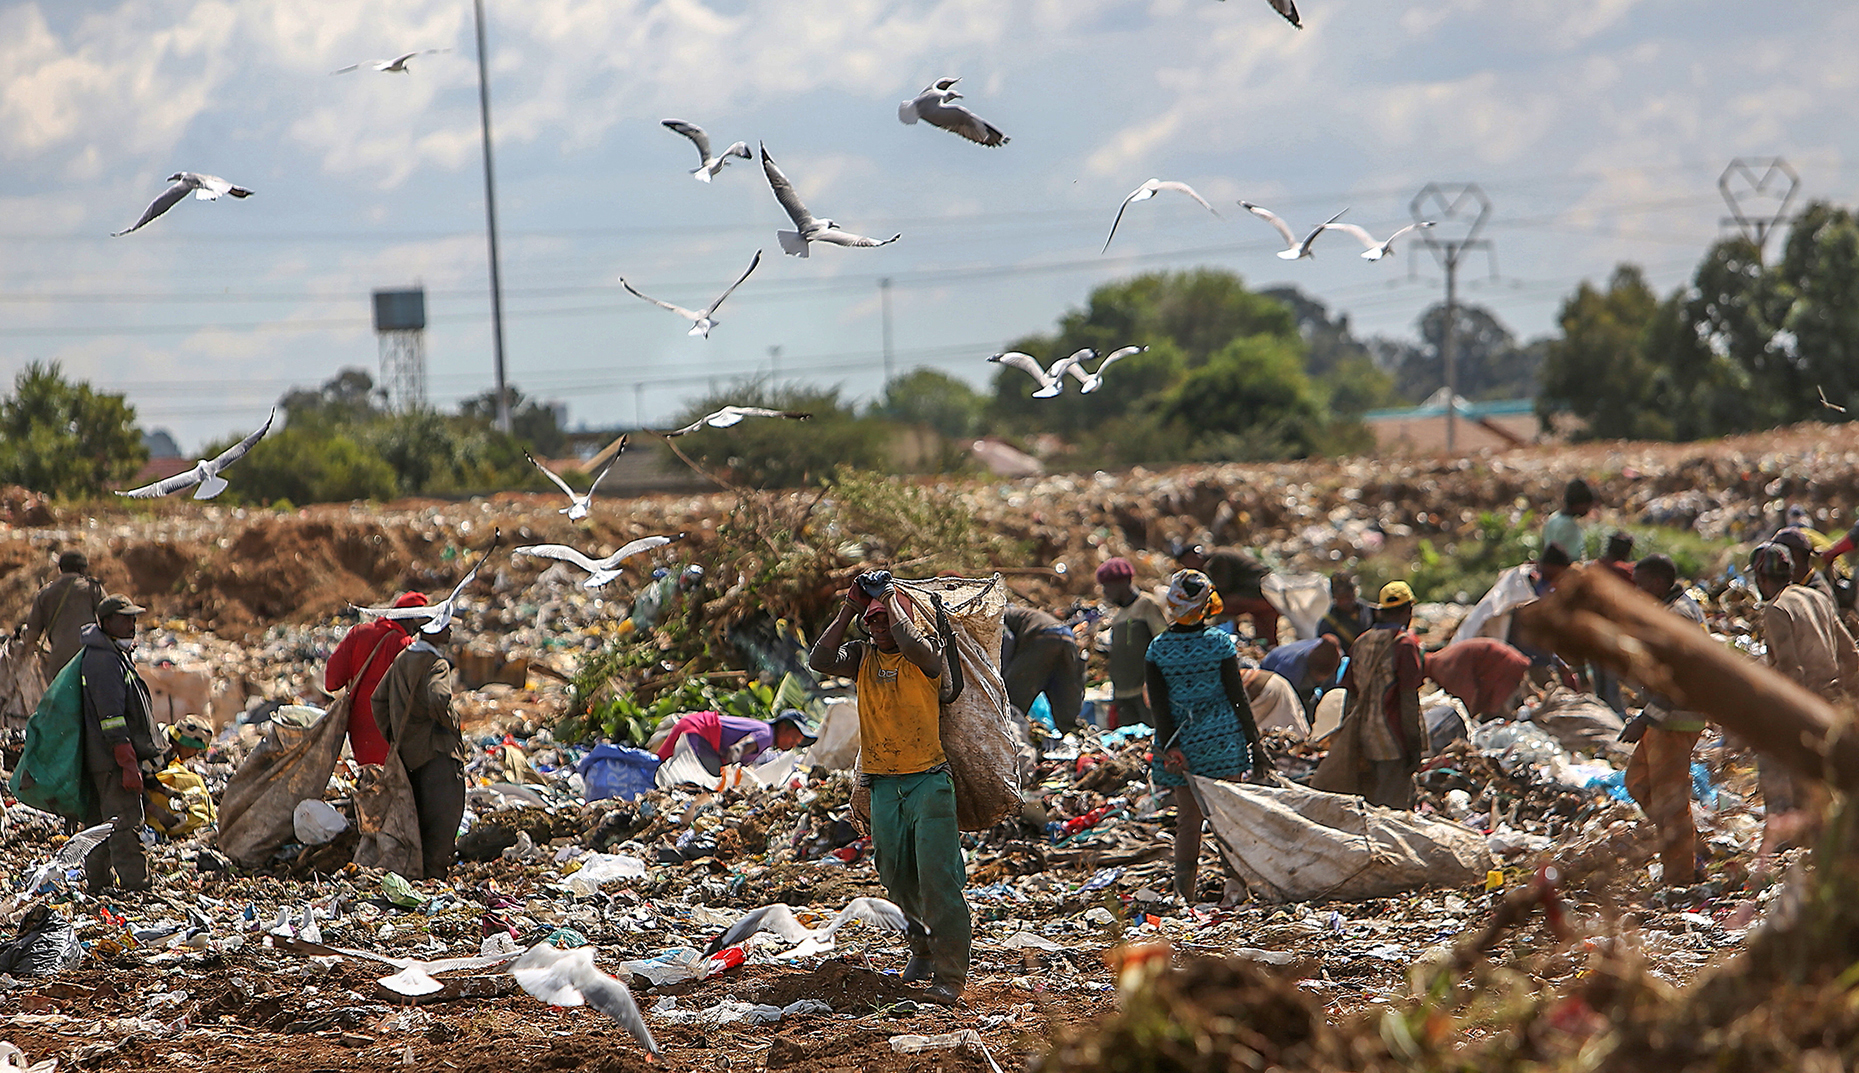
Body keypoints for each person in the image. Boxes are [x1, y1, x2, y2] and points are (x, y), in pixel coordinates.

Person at [809, 571, 969, 1002]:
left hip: (928, 782)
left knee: (939, 879)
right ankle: (920, 949)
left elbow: (915, 644)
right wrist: (850, 606)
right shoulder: (862, 657)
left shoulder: (925, 657)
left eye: (886, 621)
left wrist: (891, 600)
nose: (879, 629)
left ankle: (950, 976)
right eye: (873, 622)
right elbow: (819, 660)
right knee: (895, 876)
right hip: (882, 784)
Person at [1146, 569, 1272, 903]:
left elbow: (1159, 707)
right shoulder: (1219, 643)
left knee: (1189, 821)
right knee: (1227, 819)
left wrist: (1171, 747)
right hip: (1223, 742)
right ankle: (1236, 889)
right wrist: (1255, 745)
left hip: (1182, 745)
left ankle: (1183, 894)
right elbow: (1237, 697)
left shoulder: (1158, 649)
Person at [1750, 542, 1858, 841]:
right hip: (1833, 700)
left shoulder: (1777, 609)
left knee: (1786, 772)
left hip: (1804, 704)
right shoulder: (1816, 598)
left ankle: (1802, 840)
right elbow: (1849, 652)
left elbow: (1790, 669)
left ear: (1761, 579)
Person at [1620, 554, 1709, 886]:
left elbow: (1678, 680)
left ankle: (1681, 875)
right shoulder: (1675, 609)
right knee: (1638, 782)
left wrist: (1644, 718)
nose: (1637, 592)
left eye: (1640, 585)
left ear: (1658, 583)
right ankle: (1694, 848)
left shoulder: (1678, 616)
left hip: (1675, 720)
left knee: (1670, 802)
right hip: (1665, 719)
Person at [1312, 581, 1427, 809]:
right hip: (1393, 741)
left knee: (1370, 803)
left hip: (1365, 736)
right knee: (1391, 809)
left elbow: (1351, 695)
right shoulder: (1404, 645)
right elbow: (1407, 700)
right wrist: (1415, 745)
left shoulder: (1361, 642)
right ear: (1408, 611)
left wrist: (1350, 735)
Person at [77, 594, 165, 893]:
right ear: (107, 622)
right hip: (111, 760)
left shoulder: (110, 654)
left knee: (100, 824)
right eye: (125, 618)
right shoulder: (103, 660)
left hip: (105, 759)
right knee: (125, 823)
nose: (132, 624)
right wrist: (127, 762)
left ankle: (98, 883)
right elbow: (111, 717)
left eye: (134, 618)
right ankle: (135, 885)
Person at [374, 618, 467, 881]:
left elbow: (378, 700)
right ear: (434, 631)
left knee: (417, 820)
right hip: (436, 757)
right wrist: (452, 725)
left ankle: (416, 877)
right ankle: (434, 879)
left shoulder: (402, 659)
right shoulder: (436, 664)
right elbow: (439, 699)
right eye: (446, 626)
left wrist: (395, 738)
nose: (450, 630)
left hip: (408, 757)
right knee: (443, 821)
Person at [325, 592, 430, 766]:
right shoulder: (406, 646)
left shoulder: (358, 633)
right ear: (410, 619)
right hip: (392, 730)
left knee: (369, 780)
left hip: (359, 730)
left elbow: (331, 681)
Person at [1097, 558, 1167, 728]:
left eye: (1108, 586)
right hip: (1123, 693)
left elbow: (1164, 641)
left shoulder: (1146, 605)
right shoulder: (1119, 616)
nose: (1105, 592)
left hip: (1145, 692)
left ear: (1125, 582)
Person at [20, 551, 105, 680]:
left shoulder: (45, 594)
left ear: (60, 569)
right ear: (82, 569)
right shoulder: (92, 589)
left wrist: (22, 632)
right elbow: (110, 619)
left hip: (60, 664)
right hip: (89, 660)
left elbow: (32, 636)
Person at [1173, 543, 1278, 647]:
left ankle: (1226, 641)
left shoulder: (1217, 559)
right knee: (1266, 639)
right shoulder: (1221, 554)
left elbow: (1221, 590)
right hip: (1269, 594)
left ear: (1194, 556)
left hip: (1260, 594)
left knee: (1222, 606)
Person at [1002, 604, 1085, 734]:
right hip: (1067, 637)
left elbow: (1007, 640)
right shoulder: (1022, 614)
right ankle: (1071, 734)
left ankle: (1009, 735)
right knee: (1063, 693)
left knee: (1010, 700)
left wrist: (1002, 673)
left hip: (1042, 636)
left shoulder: (999, 618)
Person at [652, 709, 815, 775]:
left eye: (797, 743)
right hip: (699, 730)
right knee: (712, 779)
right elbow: (737, 750)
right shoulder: (766, 734)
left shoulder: (765, 734)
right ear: (783, 728)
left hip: (694, 725)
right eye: (793, 739)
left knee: (658, 766)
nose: (793, 745)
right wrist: (727, 773)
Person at [1426, 638, 1531, 721]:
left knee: (1495, 708)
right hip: (1506, 661)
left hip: (1506, 665)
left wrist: (1466, 719)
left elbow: (1465, 695)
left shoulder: (1443, 668)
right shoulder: (1443, 660)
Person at [148, 716, 217, 839]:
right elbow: (134, 784)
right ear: (186, 742)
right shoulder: (156, 750)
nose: (195, 754)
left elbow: (148, 777)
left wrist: (169, 793)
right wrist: (158, 812)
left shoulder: (170, 746)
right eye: (195, 749)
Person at [1258, 634, 1344, 717]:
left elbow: (1330, 691)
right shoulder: (1290, 669)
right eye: (1319, 677)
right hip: (1271, 671)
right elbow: (1282, 700)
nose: (1321, 680)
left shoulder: (1334, 656)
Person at [1541, 478, 1596, 562]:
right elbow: (1574, 557)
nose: (1587, 510)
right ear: (1579, 504)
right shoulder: (1570, 526)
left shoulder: (1553, 519)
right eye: (1587, 506)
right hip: (1565, 570)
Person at [1318, 571, 1375, 649]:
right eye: (1341, 598)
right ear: (1334, 597)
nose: (1345, 602)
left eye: (1348, 596)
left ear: (1354, 593)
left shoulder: (1370, 611)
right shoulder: (1328, 624)